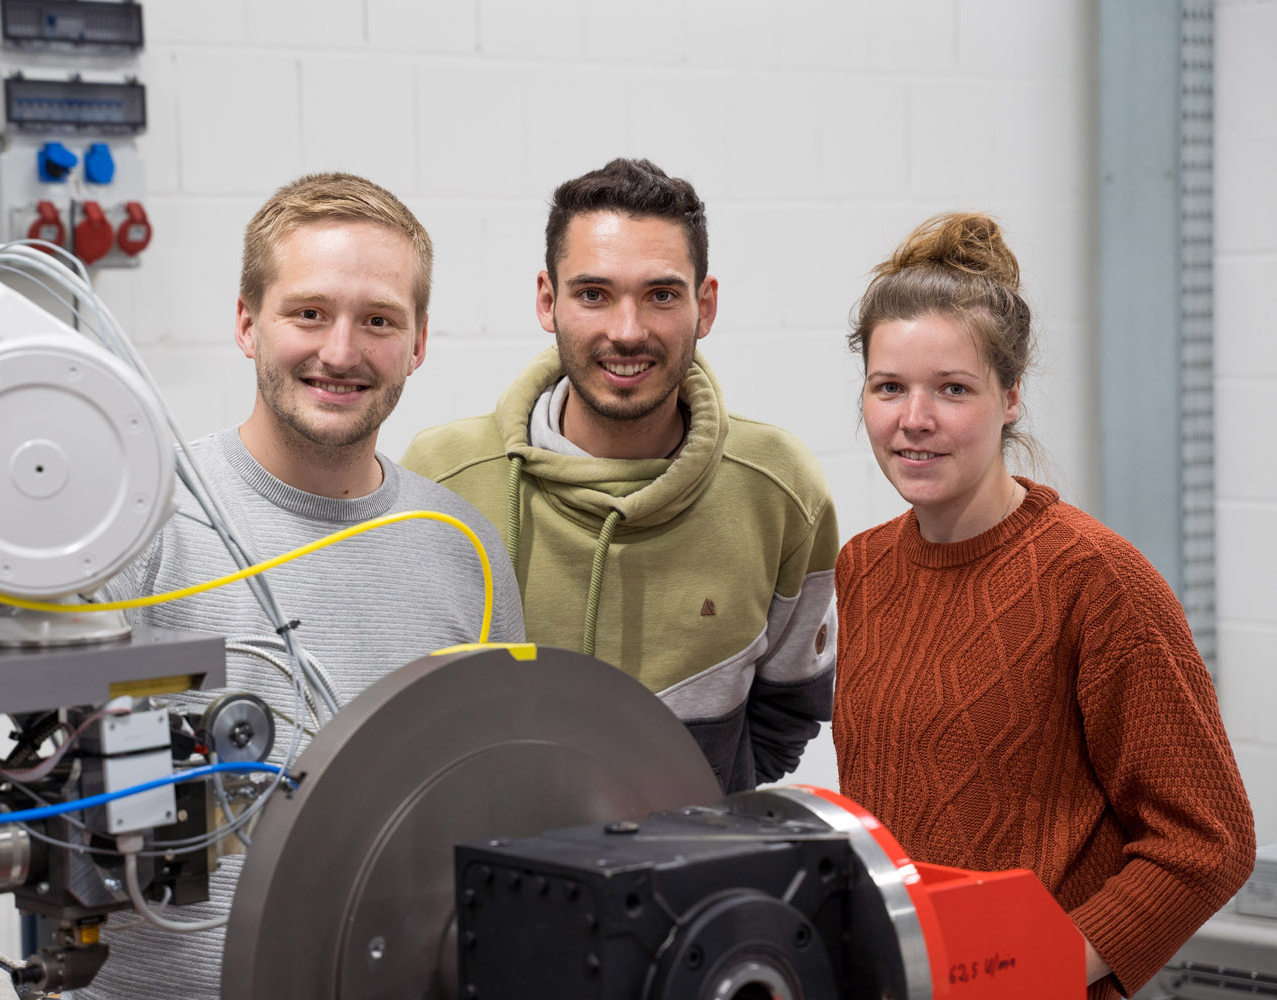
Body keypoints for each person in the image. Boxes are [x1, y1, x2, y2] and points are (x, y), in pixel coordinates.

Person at [0, 172, 525, 1000]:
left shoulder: (463, 547)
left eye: (379, 320)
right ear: (247, 322)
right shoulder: (134, 517)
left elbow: (492, 802)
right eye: (308, 312)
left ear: (419, 342)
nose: (342, 351)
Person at [832, 212, 1254, 999]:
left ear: (1011, 396)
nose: (913, 419)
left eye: (952, 389)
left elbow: (1208, 840)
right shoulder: (863, 567)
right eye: (889, 387)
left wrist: (1041, 967)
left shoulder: (1096, 579)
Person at [403, 158, 837, 793]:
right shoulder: (442, 478)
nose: (627, 331)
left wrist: (690, 816)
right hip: (481, 881)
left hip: (688, 882)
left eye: (661, 294)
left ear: (705, 305)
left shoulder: (780, 489)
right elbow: (404, 712)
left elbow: (788, 714)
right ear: (548, 303)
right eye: (593, 294)